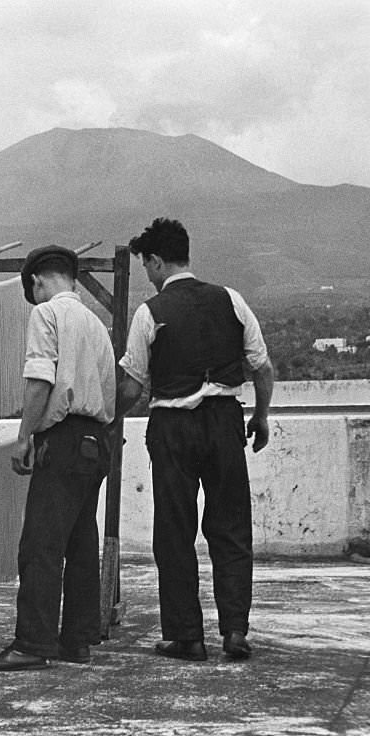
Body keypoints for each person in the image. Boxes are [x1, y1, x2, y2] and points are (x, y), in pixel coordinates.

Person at [114, 217, 274, 662]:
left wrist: (109, 419)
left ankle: (187, 636)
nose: (148, 274)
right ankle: (235, 631)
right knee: (231, 528)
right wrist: (259, 417)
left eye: (147, 265)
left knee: (175, 532)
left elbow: (132, 387)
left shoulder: (150, 313)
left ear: (157, 261)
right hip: (225, 422)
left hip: (172, 427)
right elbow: (261, 367)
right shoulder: (232, 300)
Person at [0, 245, 116, 672]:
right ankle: (77, 641)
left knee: (41, 545)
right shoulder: (95, 323)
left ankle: (33, 643)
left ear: (36, 281)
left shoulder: (46, 314)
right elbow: (116, 390)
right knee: (80, 543)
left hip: (63, 438)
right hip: (96, 439)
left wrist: (24, 437)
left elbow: (39, 381)